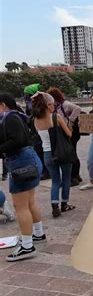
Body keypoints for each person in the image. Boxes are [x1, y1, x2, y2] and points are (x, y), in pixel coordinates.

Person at [0, 93, 44, 261]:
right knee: (30, 202)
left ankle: (27, 246)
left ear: (3, 104)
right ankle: (38, 234)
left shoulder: (9, 118)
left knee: (20, 206)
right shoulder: (16, 117)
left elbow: (16, 141)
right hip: (28, 161)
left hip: (21, 164)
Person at [32, 92, 75, 218]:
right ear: (49, 105)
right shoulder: (56, 117)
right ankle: (65, 204)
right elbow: (69, 134)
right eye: (53, 104)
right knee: (66, 178)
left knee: (55, 181)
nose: (54, 106)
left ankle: (55, 206)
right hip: (62, 152)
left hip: (47, 154)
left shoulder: (36, 120)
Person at [47, 87, 83, 186]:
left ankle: (74, 176)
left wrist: (70, 121)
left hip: (72, 132)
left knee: (72, 153)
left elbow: (77, 108)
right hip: (65, 132)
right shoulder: (57, 106)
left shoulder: (65, 104)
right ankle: (76, 175)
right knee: (71, 153)